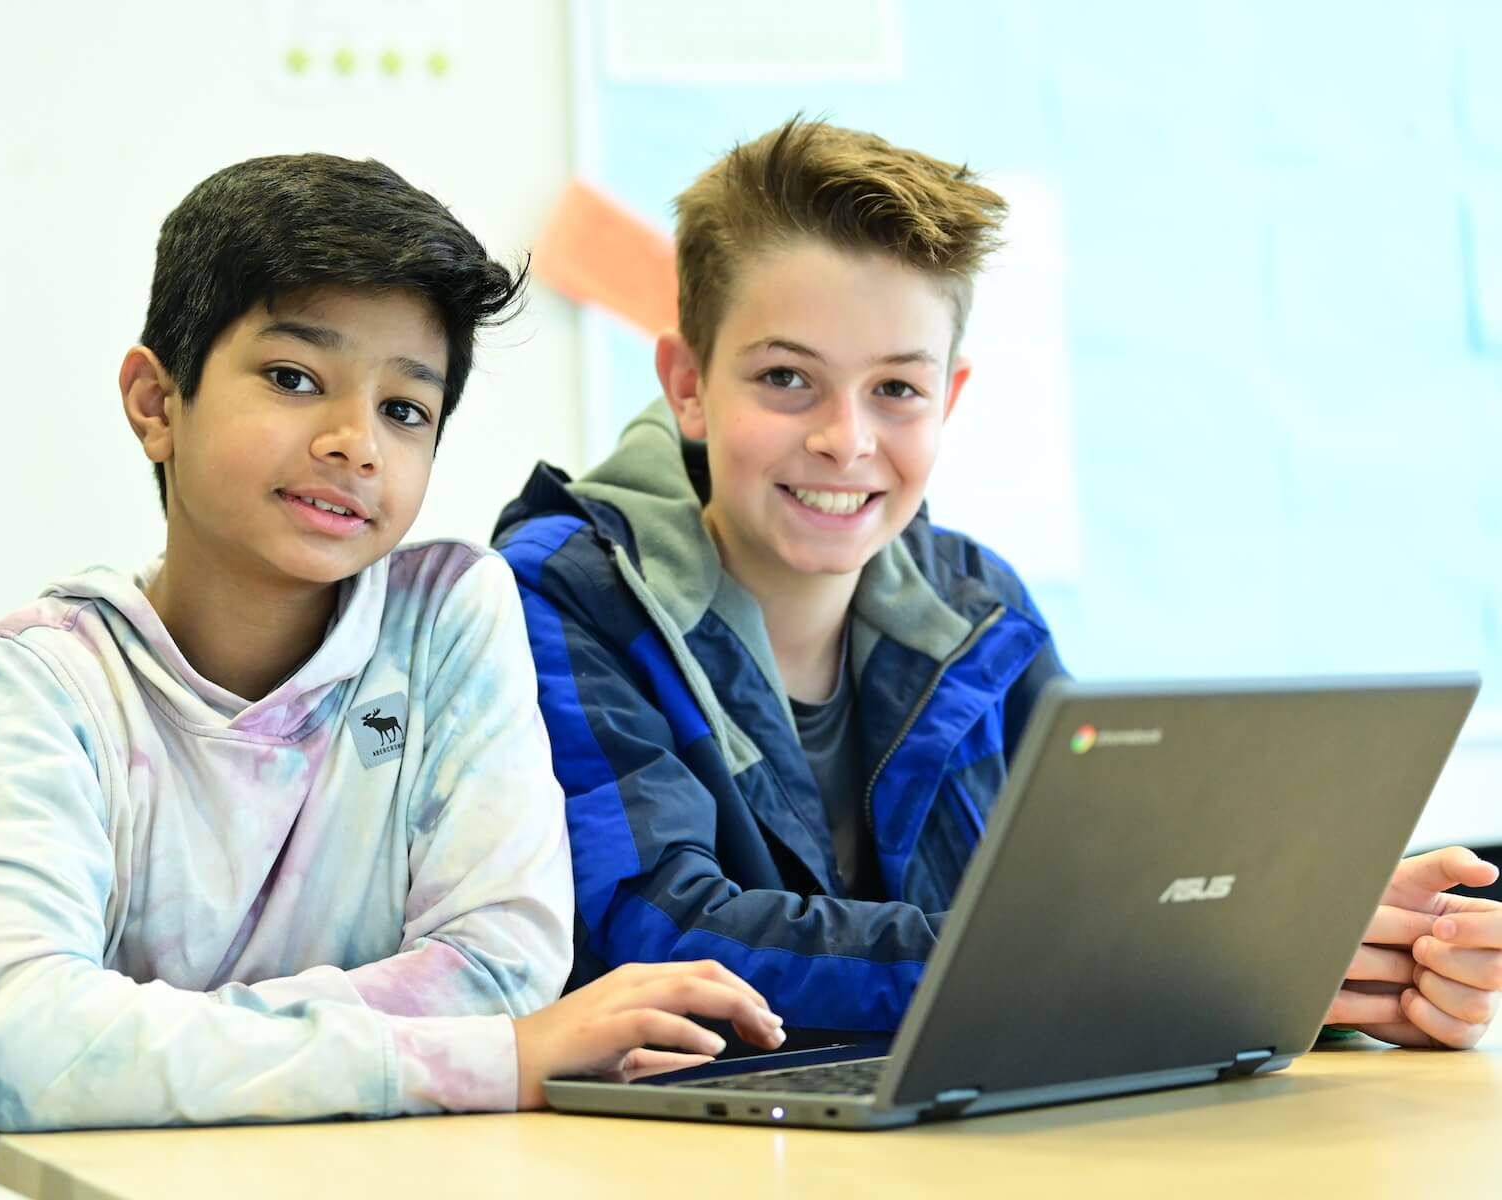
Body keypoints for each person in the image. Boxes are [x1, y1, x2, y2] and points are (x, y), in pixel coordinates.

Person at [495, 118, 1502, 1051]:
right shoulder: (559, 594)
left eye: (896, 388)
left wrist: (1324, 959)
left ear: (951, 397)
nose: (845, 439)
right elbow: (660, 937)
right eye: (785, 378)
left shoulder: (983, 610)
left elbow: (1114, 900)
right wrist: (1130, 961)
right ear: (685, 385)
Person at [0, 153, 782, 1133]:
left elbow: (501, 979)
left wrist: (142, 1041)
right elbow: (15, 1048)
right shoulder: (43, 681)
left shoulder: (450, 619)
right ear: (157, 403)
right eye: (294, 378)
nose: (355, 442)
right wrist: (483, 1061)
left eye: (404, 409)